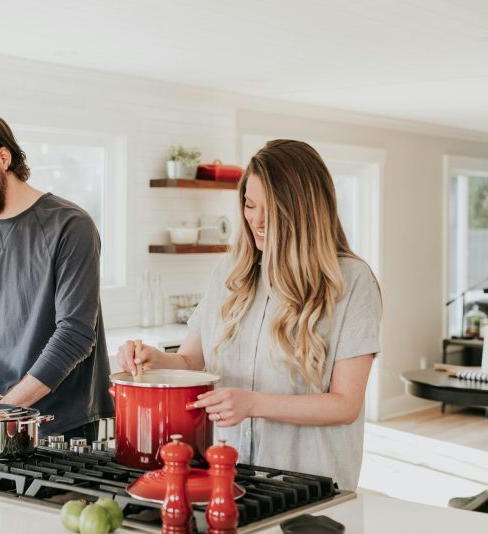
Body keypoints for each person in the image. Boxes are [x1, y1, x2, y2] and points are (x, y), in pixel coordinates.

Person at [119, 139, 381, 490]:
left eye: (269, 209)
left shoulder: (351, 281)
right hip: (227, 476)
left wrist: (254, 404)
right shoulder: (230, 271)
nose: (256, 220)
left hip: (308, 484)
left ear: (303, 210)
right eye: (249, 205)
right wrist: (156, 360)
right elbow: (191, 361)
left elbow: (345, 404)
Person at [0, 112, 113, 441]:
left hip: (64, 426)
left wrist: (1, 413)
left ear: (3, 157)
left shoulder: (71, 225)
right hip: (0, 415)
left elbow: (75, 335)